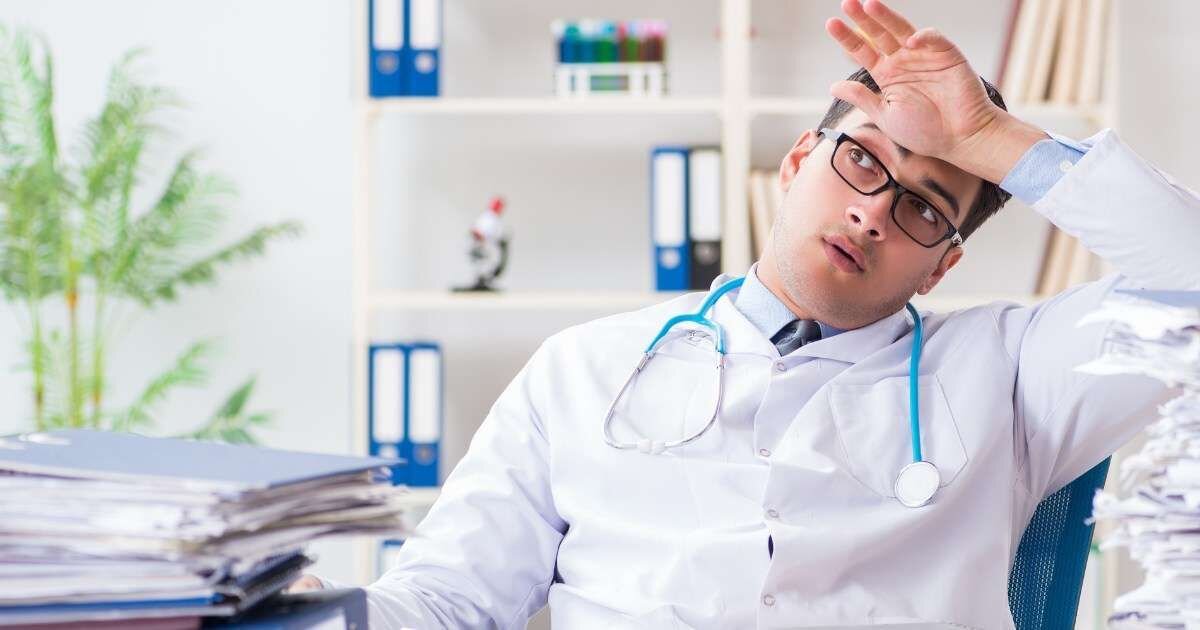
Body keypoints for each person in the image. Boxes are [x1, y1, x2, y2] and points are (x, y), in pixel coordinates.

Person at [295, 1, 1200, 627]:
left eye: (926, 207)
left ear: (943, 265)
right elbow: (450, 603)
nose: (875, 211)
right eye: (861, 164)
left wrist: (988, 141)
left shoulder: (1012, 373)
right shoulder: (586, 367)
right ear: (800, 159)